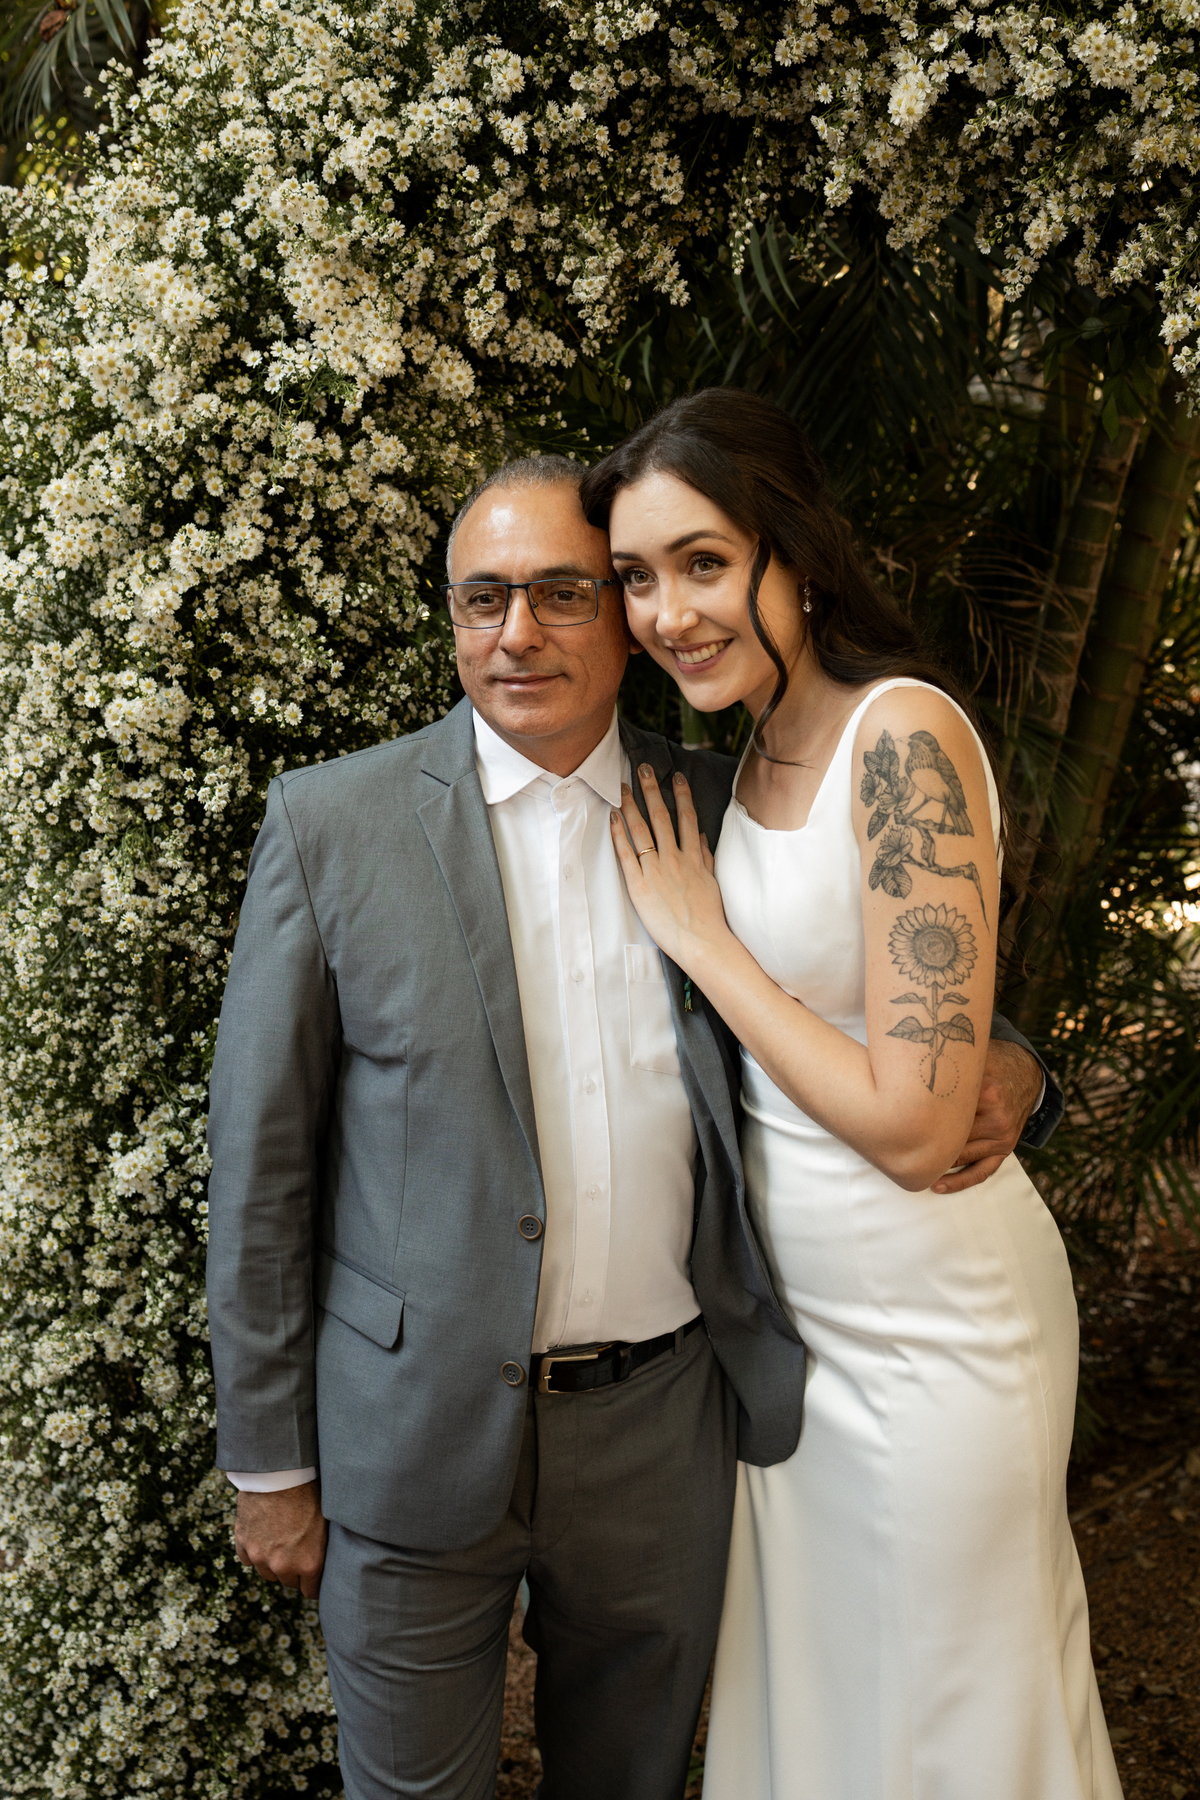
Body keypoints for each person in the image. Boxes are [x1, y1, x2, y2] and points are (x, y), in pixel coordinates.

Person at [205, 455, 1056, 1800]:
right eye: (482, 599)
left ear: (621, 616)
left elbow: (885, 980)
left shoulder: (722, 802)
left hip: (663, 1429)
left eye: (562, 593)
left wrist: (1012, 1064)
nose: (517, 634)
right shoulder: (332, 825)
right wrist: (269, 1464)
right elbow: (262, 1172)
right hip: (412, 1430)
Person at [580, 388, 1121, 1800]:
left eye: (704, 562)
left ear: (797, 553)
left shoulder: (902, 737)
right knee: (828, 1705)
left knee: (952, 1702)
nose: (668, 613)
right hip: (797, 1341)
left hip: (939, 1324)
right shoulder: (745, 758)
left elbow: (918, 1126)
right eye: (637, 577)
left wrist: (702, 939)